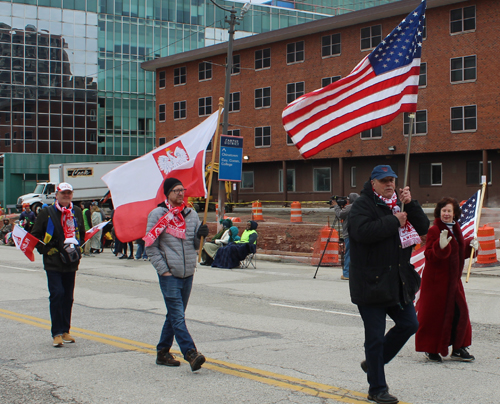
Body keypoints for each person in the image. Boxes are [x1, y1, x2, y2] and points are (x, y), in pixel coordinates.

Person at [348, 165, 429, 404]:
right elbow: (362, 232)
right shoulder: (363, 205)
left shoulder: (401, 205)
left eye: (392, 180)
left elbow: (424, 228)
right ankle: (377, 388)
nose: (389, 184)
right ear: (373, 183)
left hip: (397, 282)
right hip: (370, 284)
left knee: (410, 324)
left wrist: (411, 204)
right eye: (384, 181)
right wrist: (393, 221)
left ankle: (374, 363)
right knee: (374, 338)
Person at [145, 177, 209, 372]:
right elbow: (150, 246)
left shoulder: (191, 214)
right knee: (177, 315)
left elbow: (196, 246)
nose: (181, 194)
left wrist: (202, 236)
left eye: (182, 190)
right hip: (170, 274)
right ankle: (190, 352)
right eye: (176, 191)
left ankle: (163, 352)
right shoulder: (158, 215)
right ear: (168, 194)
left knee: (175, 315)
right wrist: (163, 270)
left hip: (188, 272)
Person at [415, 197, 477, 363]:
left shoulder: (456, 229)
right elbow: (429, 255)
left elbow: (456, 254)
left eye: (449, 211)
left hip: (453, 281)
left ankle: (459, 347)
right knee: (434, 315)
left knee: (460, 312)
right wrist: (439, 247)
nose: (447, 214)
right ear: (439, 212)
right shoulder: (434, 230)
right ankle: (431, 348)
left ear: (455, 213)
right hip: (437, 282)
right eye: (444, 211)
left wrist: (470, 247)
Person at [31, 182, 85, 348]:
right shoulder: (47, 213)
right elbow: (35, 236)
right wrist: (46, 250)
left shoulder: (75, 211)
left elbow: (81, 233)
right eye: (63, 193)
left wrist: (77, 247)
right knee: (57, 294)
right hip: (53, 262)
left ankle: (65, 330)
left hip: (70, 261)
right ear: (57, 195)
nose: (66, 196)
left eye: (69, 193)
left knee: (68, 296)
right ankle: (56, 333)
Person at [332, 193, 359, 280]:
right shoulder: (361, 206)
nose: (347, 201)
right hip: (358, 234)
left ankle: (347, 273)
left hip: (349, 234)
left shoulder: (350, 207)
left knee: (348, 254)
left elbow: (340, 215)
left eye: (348, 199)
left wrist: (336, 206)